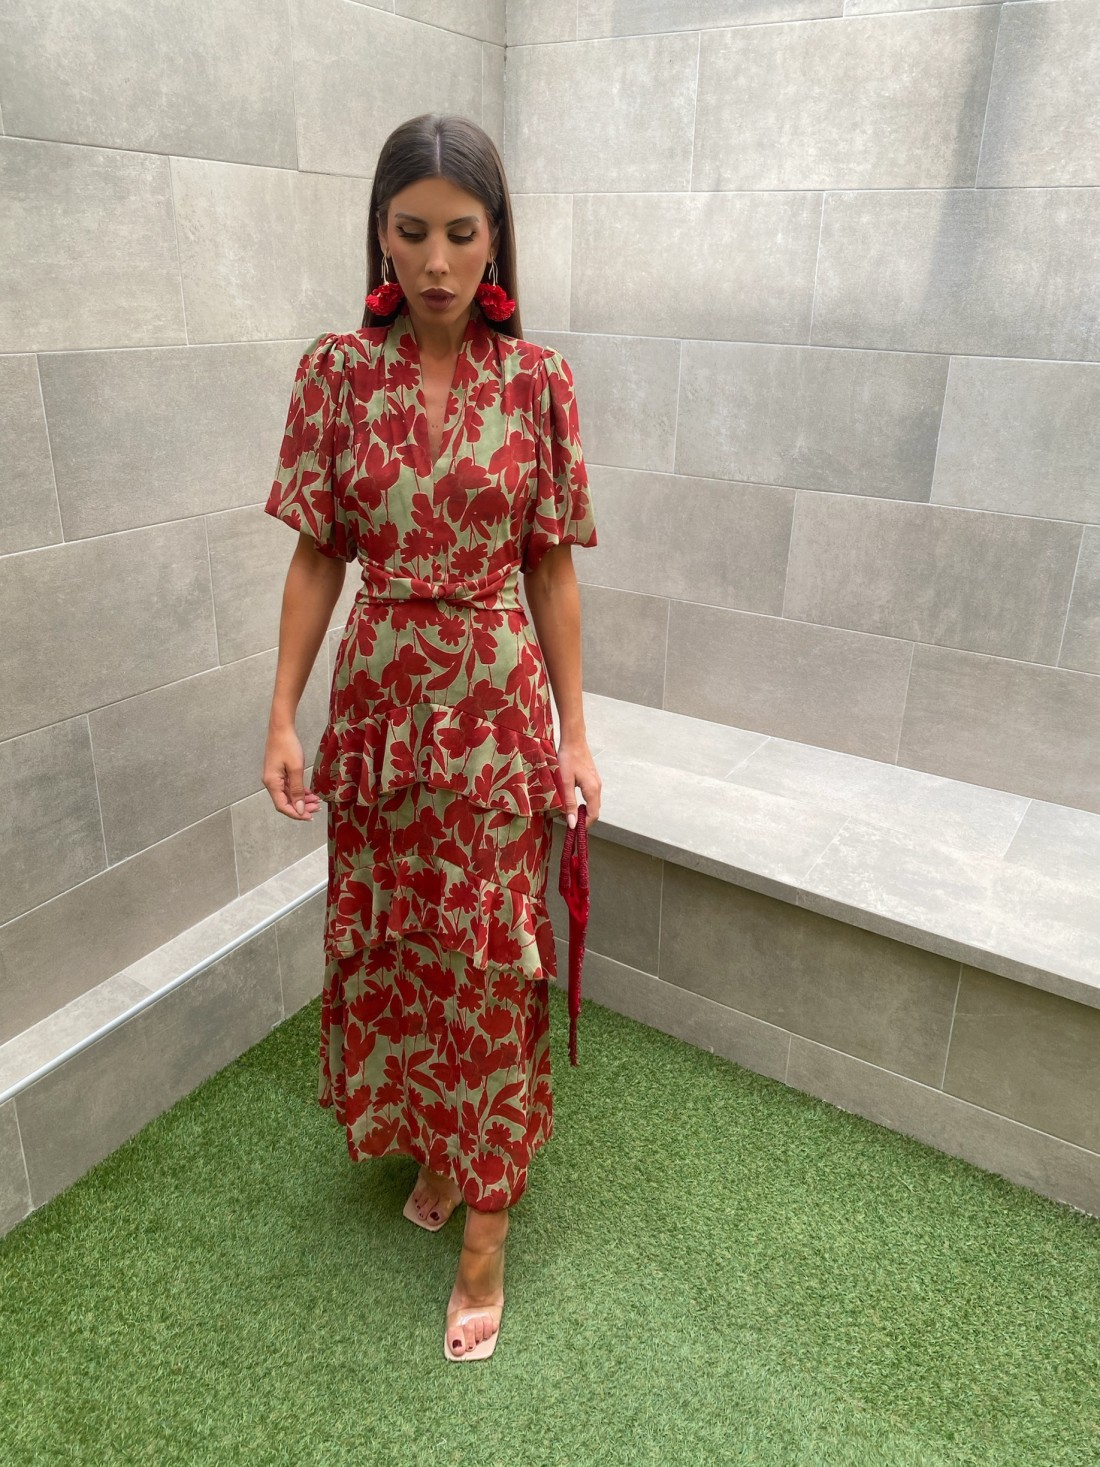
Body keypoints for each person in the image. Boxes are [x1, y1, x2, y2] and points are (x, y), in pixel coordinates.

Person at [261, 113, 600, 1361]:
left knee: (491, 958)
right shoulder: (335, 374)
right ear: (380, 235)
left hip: (494, 715)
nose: (437, 262)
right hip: (378, 714)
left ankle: (485, 1232)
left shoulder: (539, 382)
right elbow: (317, 554)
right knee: (404, 943)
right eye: (411, 233)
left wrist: (574, 733)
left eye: (461, 233)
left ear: (495, 237)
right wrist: (282, 711)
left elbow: (551, 570)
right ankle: (441, 1150)